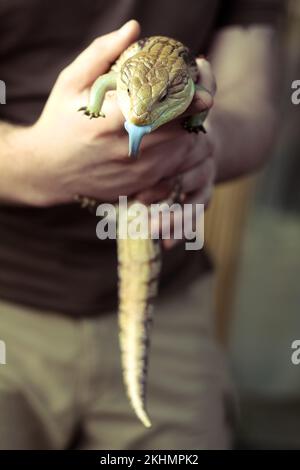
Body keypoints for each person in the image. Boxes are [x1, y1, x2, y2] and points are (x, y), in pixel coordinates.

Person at [0, 0, 284, 450]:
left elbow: (254, 102)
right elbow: (110, 87)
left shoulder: (184, 82)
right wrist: (36, 165)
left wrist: (205, 147)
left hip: (172, 293)